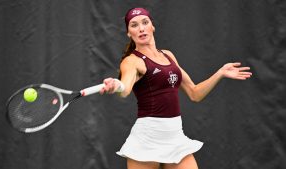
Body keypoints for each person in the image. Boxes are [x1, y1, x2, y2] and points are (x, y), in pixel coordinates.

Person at [100, 7, 252, 169]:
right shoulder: (132, 61)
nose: (141, 28)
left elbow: (195, 93)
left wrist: (220, 73)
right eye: (134, 25)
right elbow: (125, 89)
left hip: (175, 136)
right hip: (147, 138)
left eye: (145, 22)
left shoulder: (168, 55)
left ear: (153, 26)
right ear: (129, 33)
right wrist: (117, 85)